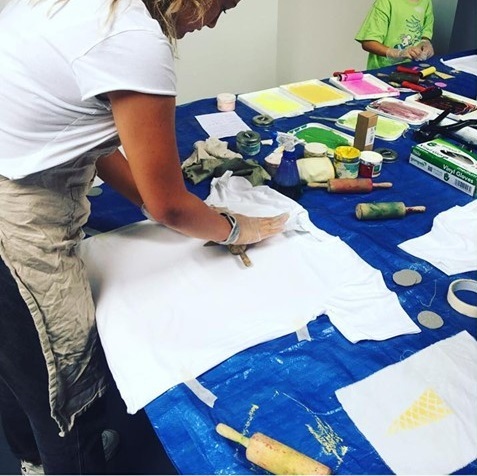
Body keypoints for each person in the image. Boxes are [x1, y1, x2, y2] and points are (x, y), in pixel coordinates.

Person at [0, 0, 288, 473]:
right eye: (222, 4)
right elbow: (170, 204)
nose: (214, 20)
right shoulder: (131, 39)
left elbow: (82, 139)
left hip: (13, 176)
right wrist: (233, 227)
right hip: (17, 224)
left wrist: (154, 200)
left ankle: (31, 456)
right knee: (64, 379)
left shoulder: (72, 8)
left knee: (18, 362)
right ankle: (66, 461)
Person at [355, 0, 435, 70]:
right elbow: (368, 43)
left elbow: (426, 31)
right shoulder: (385, 2)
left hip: (413, 68)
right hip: (384, 71)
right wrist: (397, 53)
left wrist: (425, 43)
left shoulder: (426, 2)